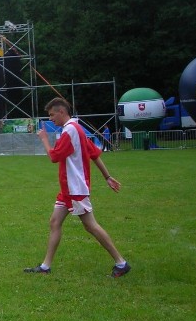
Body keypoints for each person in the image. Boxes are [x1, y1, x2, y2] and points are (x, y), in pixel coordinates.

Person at [24, 97, 131, 278]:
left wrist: (44, 139)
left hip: (75, 189)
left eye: (52, 115)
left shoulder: (70, 132)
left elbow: (54, 157)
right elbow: (95, 155)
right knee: (55, 222)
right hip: (68, 190)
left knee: (91, 226)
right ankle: (45, 267)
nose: (51, 119)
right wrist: (107, 177)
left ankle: (121, 263)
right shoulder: (77, 130)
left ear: (62, 112)